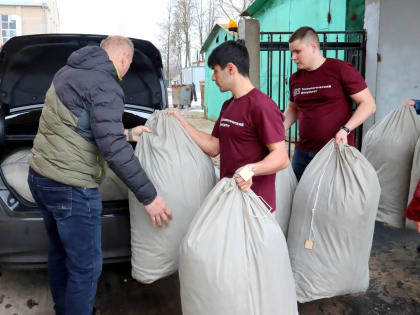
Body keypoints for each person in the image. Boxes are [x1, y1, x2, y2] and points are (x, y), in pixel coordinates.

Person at [27, 36, 171, 315]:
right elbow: (114, 151)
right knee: (86, 267)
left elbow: (83, 126)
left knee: (59, 254)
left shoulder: (67, 72)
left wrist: (129, 133)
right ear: (124, 60)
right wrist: (149, 197)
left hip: (40, 177)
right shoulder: (106, 85)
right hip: (71, 187)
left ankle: (63, 309)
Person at [168, 40, 289, 211]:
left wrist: (250, 170)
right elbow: (213, 146)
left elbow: (282, 158)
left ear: (231, 68)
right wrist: (182, 122)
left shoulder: (262, 106)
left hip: (255, 205)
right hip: (231, 198)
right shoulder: (229, 105)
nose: (213, 78)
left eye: (215, 71)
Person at [284, 26, 376, 180]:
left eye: (298, 51)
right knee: (298, 201)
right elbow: (293, 109)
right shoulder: (295, 79)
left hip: (335, 151)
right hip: (302, 154)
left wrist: (345, 129)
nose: (293, 57)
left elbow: (368, 104)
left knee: (331, 202)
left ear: (313, 47)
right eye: (291, 52)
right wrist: (279, 128)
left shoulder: (341, 70)